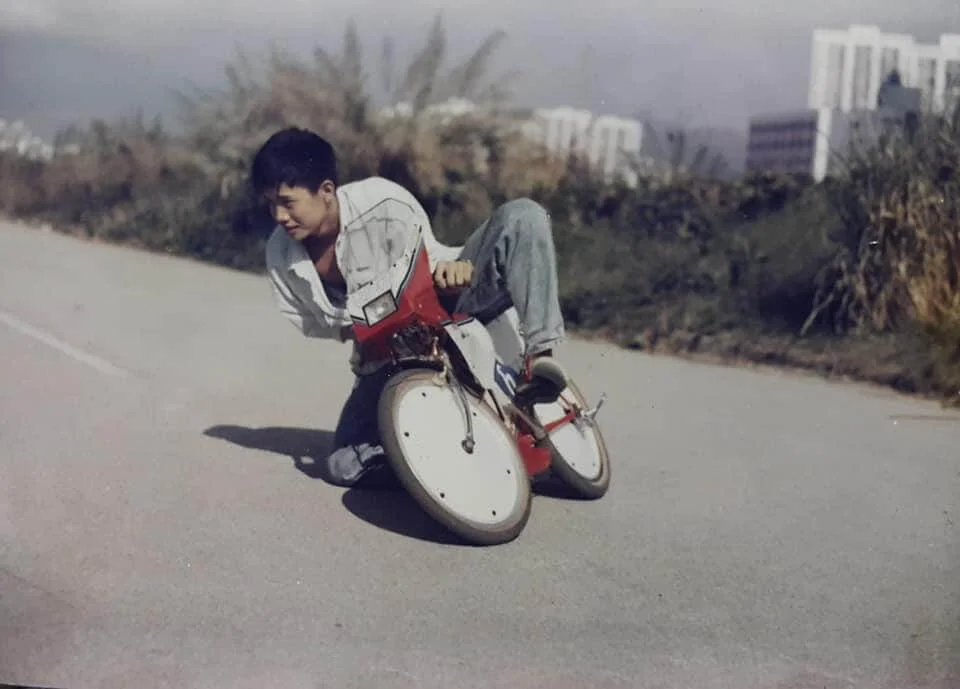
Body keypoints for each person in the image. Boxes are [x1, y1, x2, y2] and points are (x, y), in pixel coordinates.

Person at [253, 127, 569, 487]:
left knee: (524, 215)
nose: (279, 216)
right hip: (384, 355)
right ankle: (429, 456)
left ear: (326, 191)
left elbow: (428, 257)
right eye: (270, 204)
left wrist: (452, 271)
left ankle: (539, 359)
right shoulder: (280, 253)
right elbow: (313, 321)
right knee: (343, 465)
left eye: (287, 202)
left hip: (442, 304)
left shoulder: (382, 202)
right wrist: (363, 331)